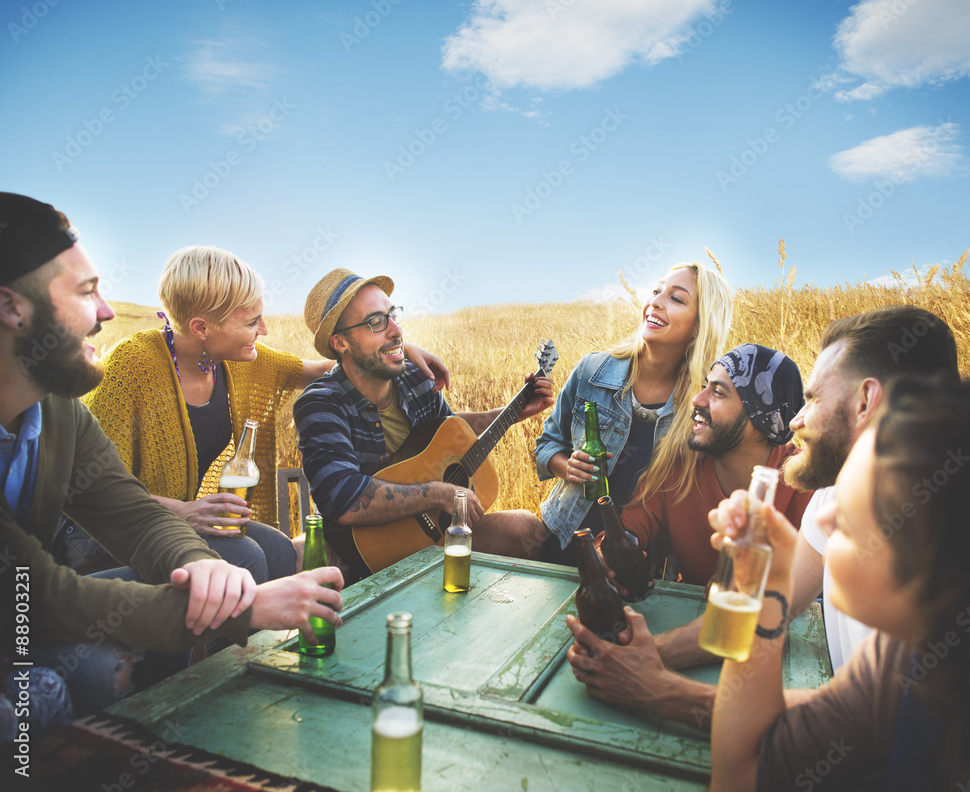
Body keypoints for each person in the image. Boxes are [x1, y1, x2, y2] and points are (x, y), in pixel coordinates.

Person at [0, 192, 342, 723]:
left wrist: (200, 568)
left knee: (244, 554)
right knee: (46, 690)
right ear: (10, 308)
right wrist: (245, 605)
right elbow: (31, 596)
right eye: (87, 291)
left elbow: (133, 515)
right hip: (48, 576)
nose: (108, 312)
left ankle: (198, 721)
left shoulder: (58, 414)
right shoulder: (131, 366)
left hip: (40, 590)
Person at [565, 305, 959, 725]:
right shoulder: (834, 499)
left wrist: (662, 692)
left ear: (865, 402)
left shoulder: (947, 554)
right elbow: (761, 614)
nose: (797, 420)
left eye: (812, 399)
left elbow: (860, 728)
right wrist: (645, 657)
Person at [64, 246, 448, 585]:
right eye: (251, 322)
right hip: (101, 533)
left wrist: (397, 347)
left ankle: (261, 657)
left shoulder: (240, 363)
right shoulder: (133, 365)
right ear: (201, 327)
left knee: (280, 552)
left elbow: (330, 366)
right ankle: (212, 664)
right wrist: (184, 511)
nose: (264, 330)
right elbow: (92, 486)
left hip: (176, 521)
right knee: (244, 557)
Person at [709, 369, 970, 791]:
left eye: (850, 511)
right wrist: (770, 584)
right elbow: (744, 773)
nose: (823, 519)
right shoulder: (902, 659)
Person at [294, 268, 555, 583]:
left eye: (393, 316)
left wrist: (512, 411)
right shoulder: (321, 404)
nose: (395, 331)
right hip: (359, 555)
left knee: (526, 529)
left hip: (434, 540)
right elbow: (344, 497)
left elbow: (448, 433)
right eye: (376, 322)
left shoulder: (416, 379)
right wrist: (436, 493)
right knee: (297, 557)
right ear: (341, 343)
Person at [533, 262, 733, 565]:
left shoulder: (701, 405)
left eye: (676, 299)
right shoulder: (592, 371)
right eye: (656, 291)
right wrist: (566, 467)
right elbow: (546, 445)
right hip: (562, 539)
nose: (655, 301)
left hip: (638, 566)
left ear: (698, 327)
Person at [621, 343, 812, 587]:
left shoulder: (807, 483)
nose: (697, 400)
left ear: (761, 416)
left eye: (718, 393)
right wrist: (606, 556)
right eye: (704, 387)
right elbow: (629, 530)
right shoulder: (680, 470)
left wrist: (759, 585)